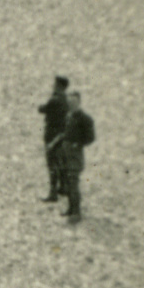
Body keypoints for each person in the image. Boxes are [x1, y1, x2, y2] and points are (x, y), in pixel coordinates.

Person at [54, 89, 96, 221]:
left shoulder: (85, 118)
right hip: (66, 153)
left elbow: (90, 138)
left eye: (73, 101)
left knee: (73, 182)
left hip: (75, 155)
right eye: (69, 102)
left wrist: (77, 144)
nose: (71, 104)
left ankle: (76, 213)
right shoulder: (69, 116)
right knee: (67, 181)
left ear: (79, 102)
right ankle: (71, 209)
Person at [37, 75, 71, 202]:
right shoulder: (66, 100)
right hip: (62, 134)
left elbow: (43, 109)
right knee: (61, 161)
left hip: (51, 134)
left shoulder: (54, 99)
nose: (53, 85)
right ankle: (63, 188)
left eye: (55, 84)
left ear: (59, 85)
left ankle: (53, 193)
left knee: (51, 163)